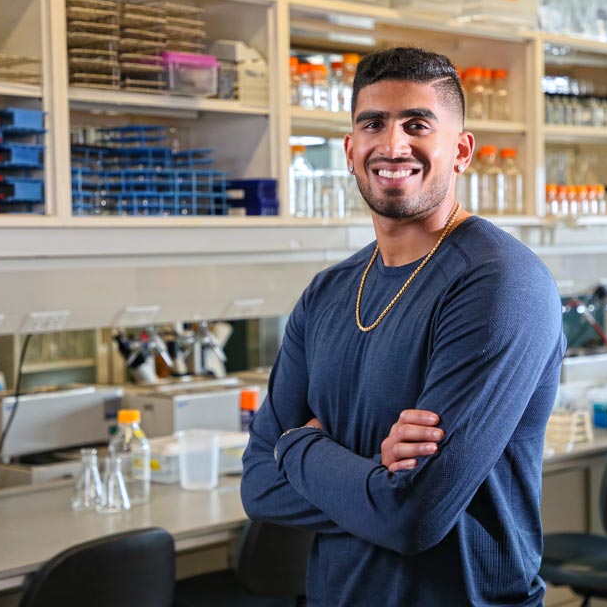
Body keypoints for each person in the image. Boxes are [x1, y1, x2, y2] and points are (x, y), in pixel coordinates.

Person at [241, 47, 565, 606]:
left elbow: (414, 515)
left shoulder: (500, 283)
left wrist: (297, 447)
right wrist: (374, 480)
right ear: (349, 150)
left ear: (461, 150)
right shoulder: (327, 294)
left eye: (417, 125)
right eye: (373, 124)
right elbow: (258, 487)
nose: (392, 146)